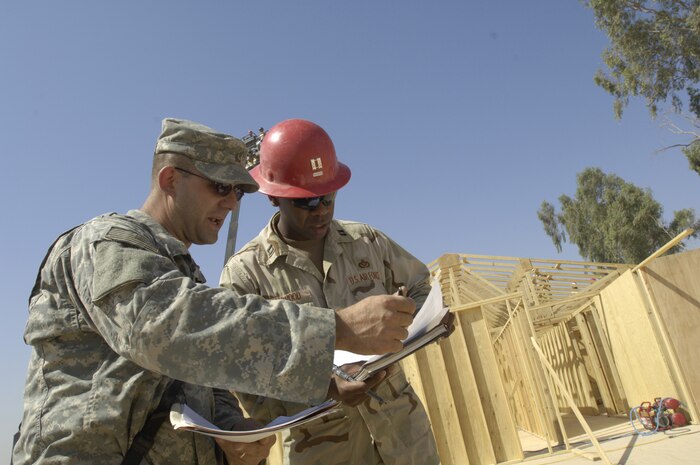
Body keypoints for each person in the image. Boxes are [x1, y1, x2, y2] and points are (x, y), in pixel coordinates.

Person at [12, 118, 417, 465]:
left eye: (239, 192)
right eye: (220, 187)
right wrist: (336, 329)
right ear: (170, 179)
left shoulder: (184, 276)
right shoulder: (105, 242)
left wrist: (230, 427)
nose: (231, 203)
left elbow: (199, 378)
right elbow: (161, 328)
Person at [220, 119, 440, 465]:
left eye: (328, 196)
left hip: (404, 436)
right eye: (306, 202)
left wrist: (427, 323)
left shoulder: (367, 241)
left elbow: (421, 287)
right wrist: (323, 387)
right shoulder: (246, 274)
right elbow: (238, 368)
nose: (321, 209)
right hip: (322, 449)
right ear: (275, 197)